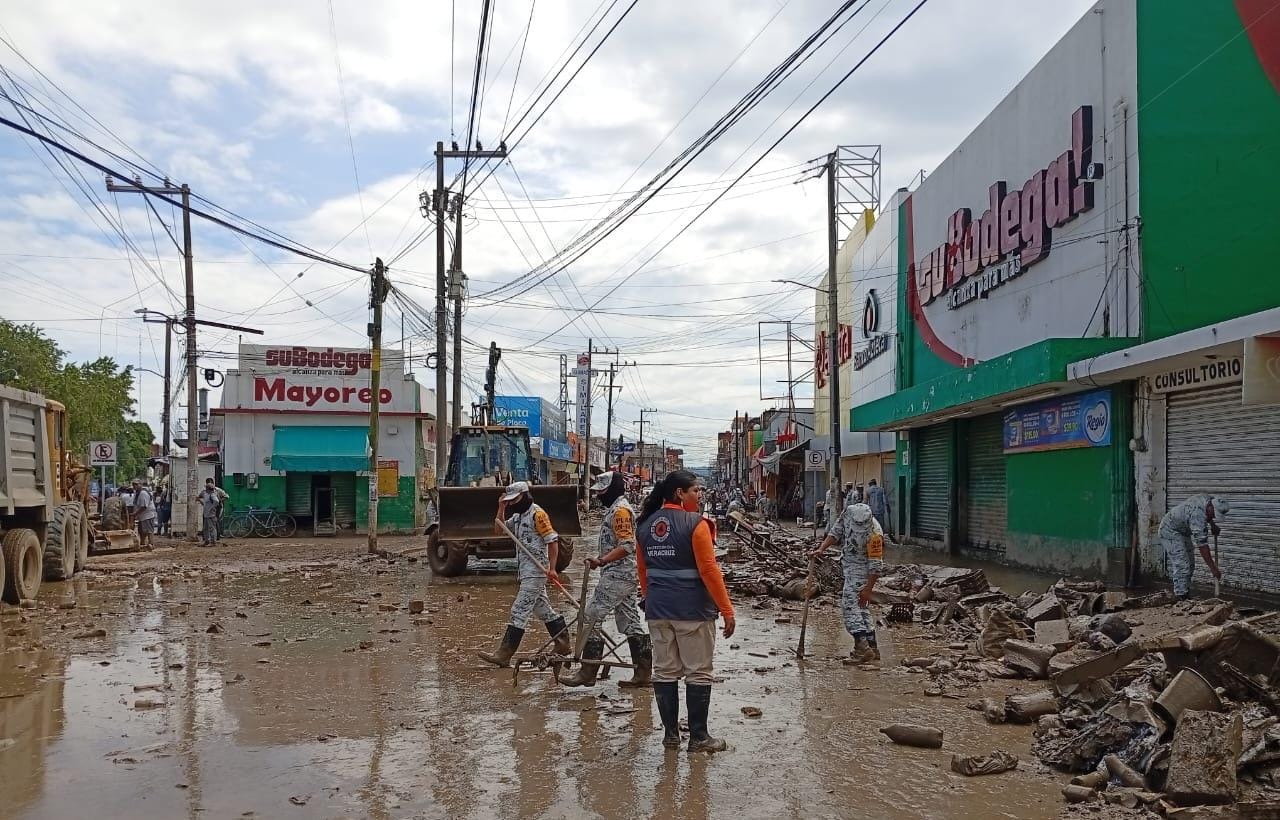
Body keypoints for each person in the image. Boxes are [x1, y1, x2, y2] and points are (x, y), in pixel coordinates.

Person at [637, 470, 735, 753]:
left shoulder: (644, 526)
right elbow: (708, 570)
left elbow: (642, 572)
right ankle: (699, 738)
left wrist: (650, 599)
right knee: (698, 672)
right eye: (695, 491)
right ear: (680, 494)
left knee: (665, 671)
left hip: (658, 610)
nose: (700, 495)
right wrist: (727, 609)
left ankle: (670, 737)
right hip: (692, 610)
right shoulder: (696, 524)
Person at [562, 471, 652, 688]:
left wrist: (601, 560)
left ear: (611, 490)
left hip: (617, 574)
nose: (598, 496)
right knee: (631, 622)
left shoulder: (620, 511)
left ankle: (588, 670)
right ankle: (643, 674)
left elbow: (627, 545)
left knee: (590, 616)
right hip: (623, 574)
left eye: (601, 491)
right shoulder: (616, 509)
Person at [478, 481, 572, 667]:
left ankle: (504, 654)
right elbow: (499, 529)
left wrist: (552, 568)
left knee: (519, 610)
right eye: (510, 502)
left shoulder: (538, 515)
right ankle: (563, 643)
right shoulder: (519, 517)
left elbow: (552, 541)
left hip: (537, 572)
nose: (513, 504)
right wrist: (501, 507)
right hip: (525, 570)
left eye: (515, 500)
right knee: (543, 610)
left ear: (525, 496)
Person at [809, 502, 885, 664]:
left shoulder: (875, 534)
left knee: (850, 605)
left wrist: (868, 589)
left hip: (863, 570)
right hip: (849, 565)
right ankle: (872, 647)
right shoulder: (848, 514)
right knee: (861, 607)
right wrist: (822, 549)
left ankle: (862, 648)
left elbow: (876, 566)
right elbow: (835, 533)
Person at [1160, 494, 1228, 600]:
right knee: (1182, 565)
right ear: (1211, 506)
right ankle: (1181, 597)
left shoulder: (1208, 500)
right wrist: (1213, 568)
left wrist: (1212, 525)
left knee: (1190, 564)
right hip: (1170, 530)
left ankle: (1185, 592)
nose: (1213, 517)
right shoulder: (1198, 516)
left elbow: (1207, 514)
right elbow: (1202, 545)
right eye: (1214, 515)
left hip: (1182, 531)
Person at [197, 479, 228, 546]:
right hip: (207, 513)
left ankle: (213, 541)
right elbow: (200, 498)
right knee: (206, 528)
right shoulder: (206, 493)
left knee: (212, 527)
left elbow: (216, 501)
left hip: (211, 514)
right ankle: (206, 540)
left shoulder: (212, 494)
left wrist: (212, 508)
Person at [131, 479, 157, 548]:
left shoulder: (143, 493)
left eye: (136, 484)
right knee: (141, 531)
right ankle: (142, 543)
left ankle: (151, 543)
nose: (134, 486)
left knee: (149, 531)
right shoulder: (137, 493)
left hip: (147, 515)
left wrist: (135, 513)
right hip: (142, 515)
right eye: (133, 485)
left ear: (140, 485)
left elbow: (144, 506)